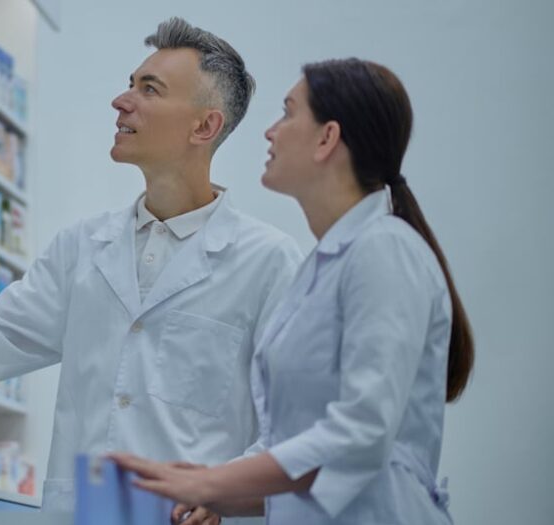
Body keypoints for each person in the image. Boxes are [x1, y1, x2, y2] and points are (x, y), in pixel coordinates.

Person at [0, 17, 301, 515]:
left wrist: (223, 493)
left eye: (150, 89)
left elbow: (293, 427)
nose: (121, 101)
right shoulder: (82, 248)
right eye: (130, 84)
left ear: (204, 126)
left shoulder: (268, 262)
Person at [113, 58, 475, 524]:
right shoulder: (320, 270)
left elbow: (362, 434)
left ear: (327, 138)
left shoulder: (385, 248)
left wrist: (212, 484)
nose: (270, 132)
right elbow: (306, 459)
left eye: (287, 113)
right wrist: (224, 492)